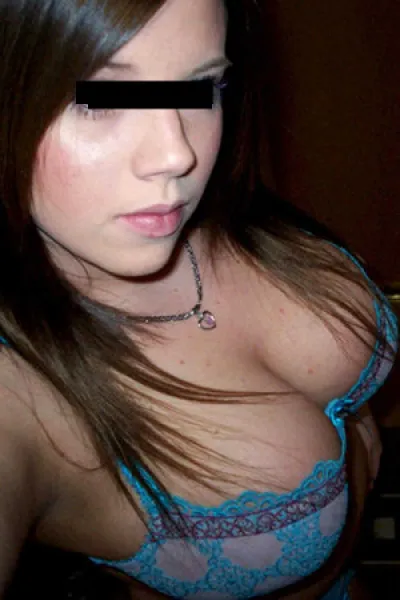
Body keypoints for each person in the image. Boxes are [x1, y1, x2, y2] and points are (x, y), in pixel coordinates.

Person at [0, 0, 398, 599]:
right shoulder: (17, 395)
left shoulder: (219, 214)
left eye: (200, 87)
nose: (177, 154)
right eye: (99, 99)